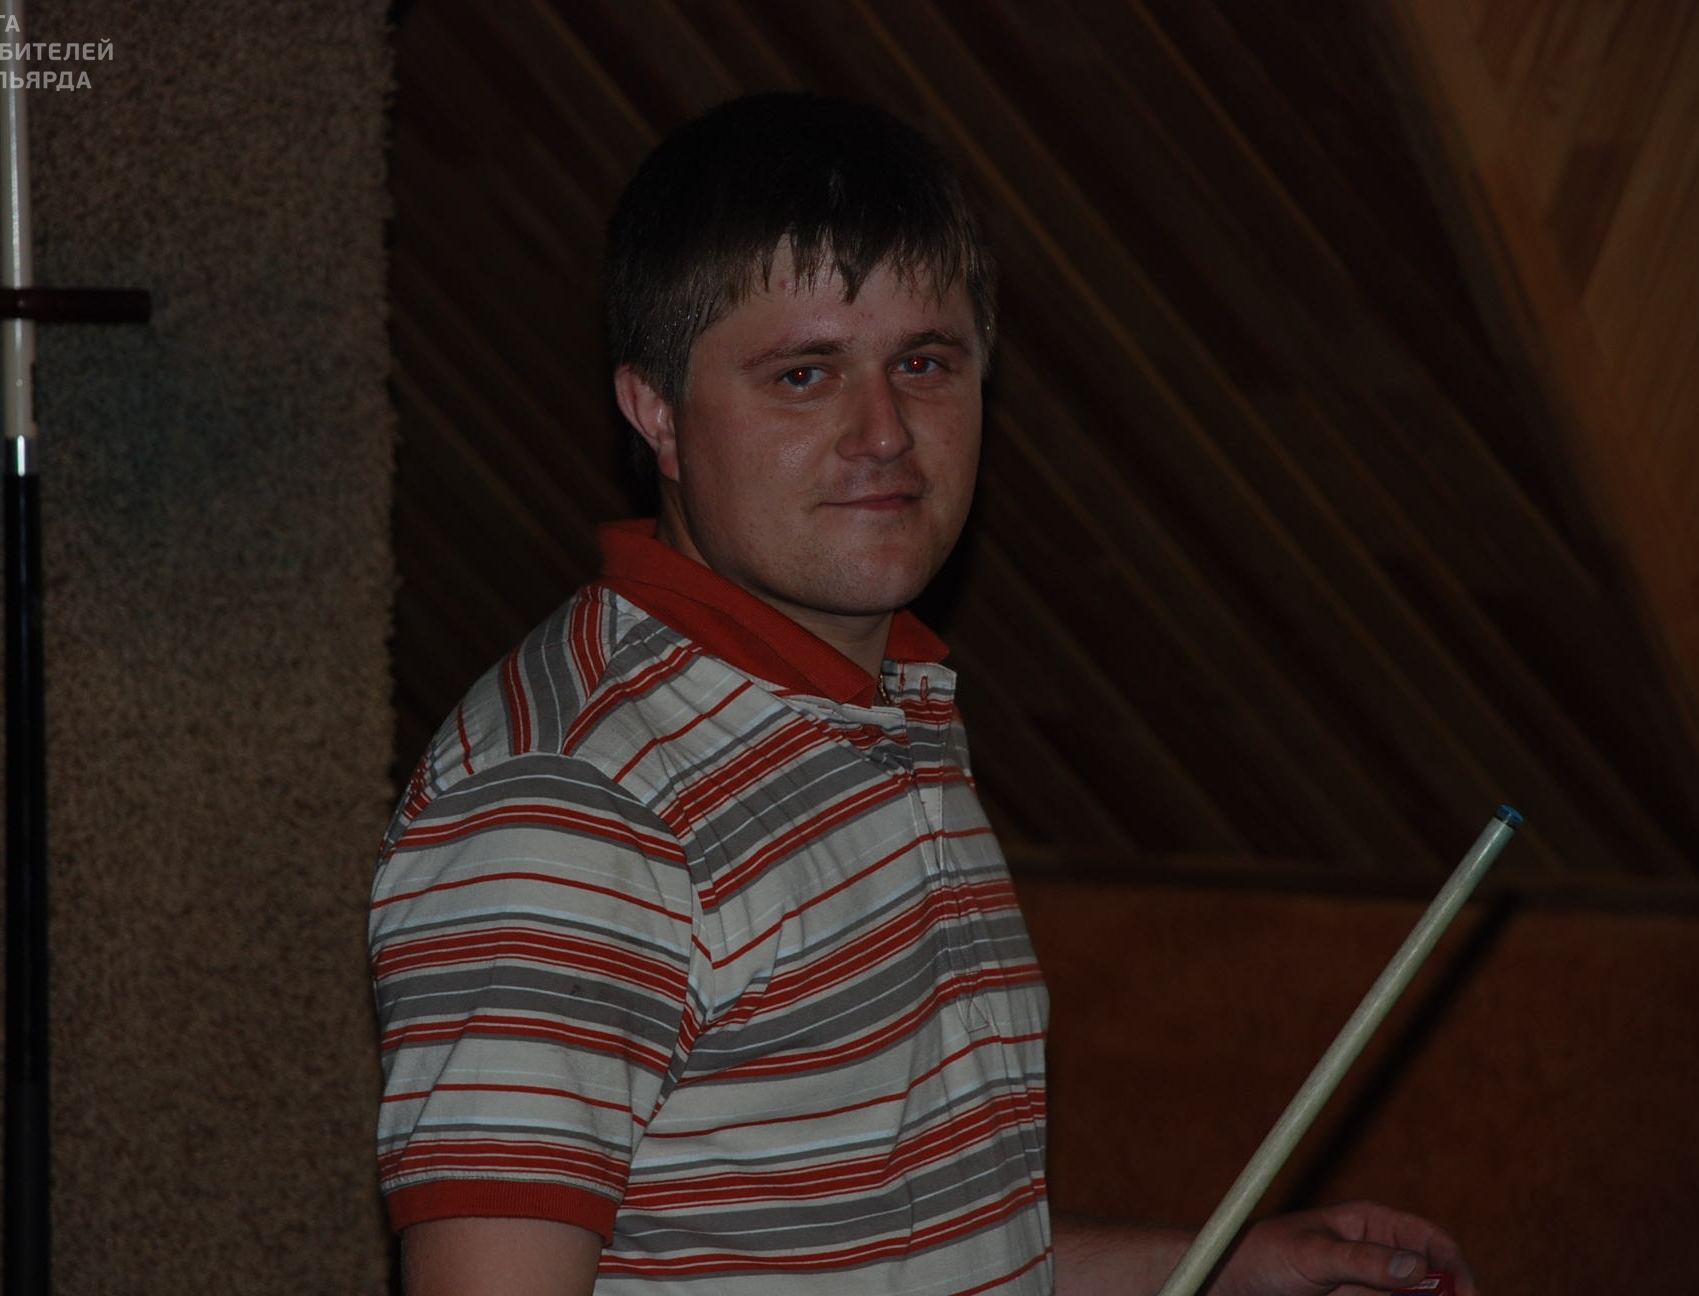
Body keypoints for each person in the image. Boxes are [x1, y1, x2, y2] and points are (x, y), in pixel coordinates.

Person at [369, 93, 1476, 1296]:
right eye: (804, 374)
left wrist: (1222, 1269)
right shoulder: (571, 810)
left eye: (924, 363)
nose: (886, 433)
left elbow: (899, 1244)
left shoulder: (881, 703)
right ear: (655, 413)